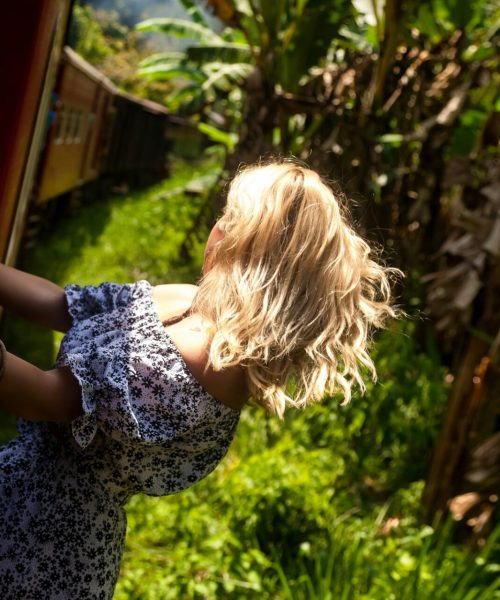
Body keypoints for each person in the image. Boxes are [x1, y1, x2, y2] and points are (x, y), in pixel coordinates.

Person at [0, 161, 399, 598]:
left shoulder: (205, 359)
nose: (218, 226)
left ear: (246, 247)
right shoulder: (188, 304)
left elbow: (44, 398)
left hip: (43, 535)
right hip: (27, 490)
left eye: (231, 217)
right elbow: (65, 304)